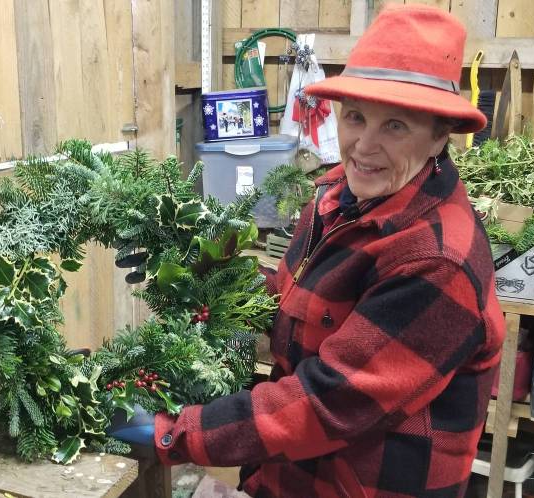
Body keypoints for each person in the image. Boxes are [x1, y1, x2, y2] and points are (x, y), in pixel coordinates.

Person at [110, 5, 506, 497]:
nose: (363, 145)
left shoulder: (436, 260)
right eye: (356, 117)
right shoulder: (337, 195)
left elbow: (328, 400)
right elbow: (294, 300)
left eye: (396, 126)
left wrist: (175, 432)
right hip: (292, 477)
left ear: (440, 135)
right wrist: (220, 280)